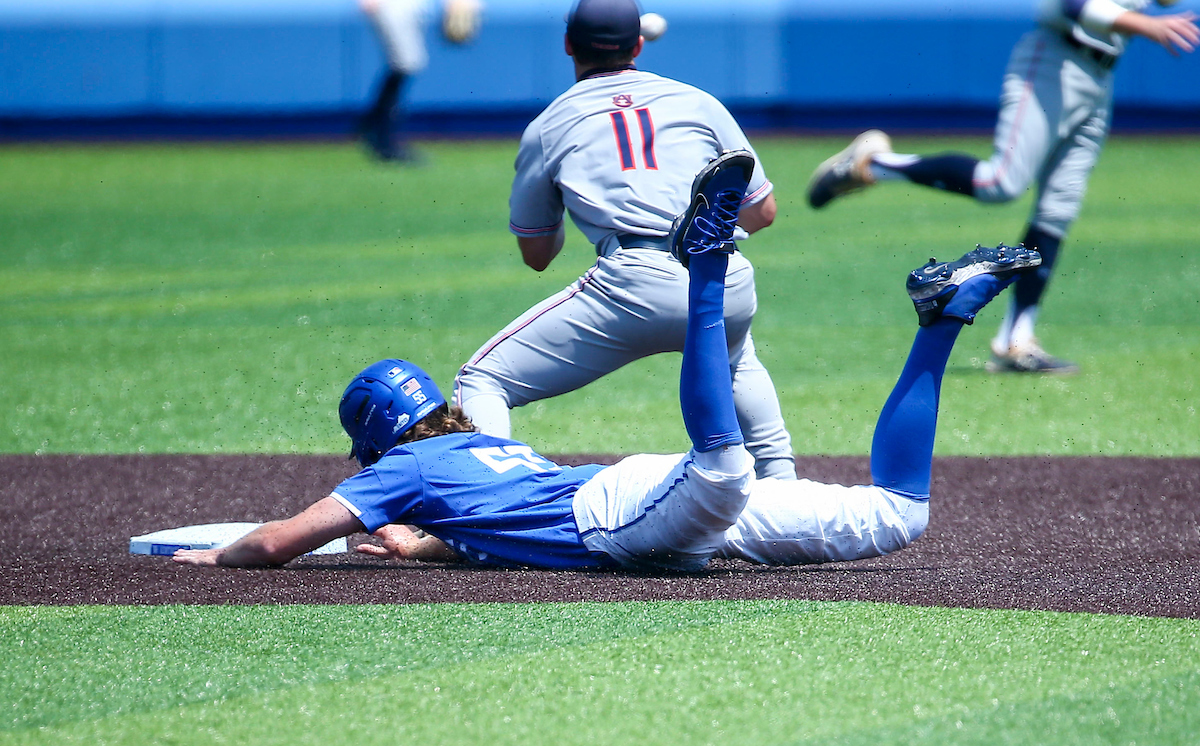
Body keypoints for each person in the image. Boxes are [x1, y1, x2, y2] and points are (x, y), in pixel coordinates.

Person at [173, 152, 1042, 572]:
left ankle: (704, 268)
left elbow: (284, 541)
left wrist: (219, 557)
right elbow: (490, 521)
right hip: (642, 509)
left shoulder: (404, 468)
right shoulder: (465, 452)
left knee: (723, 468)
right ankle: (939, 324)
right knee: (897, 514)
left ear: (377, 443)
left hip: (621, 514)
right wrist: (433, 547)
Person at [452, 0, 796, 482]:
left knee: (482, 381)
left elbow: (537, 254)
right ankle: (783, 489)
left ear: (568, 44)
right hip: (726, 278)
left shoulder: (548, 126)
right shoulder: (698, 101)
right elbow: (762, 211)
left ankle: (495, 506)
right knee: (735, 357)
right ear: (638, 45)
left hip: (632, 283)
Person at [806, 0, 1198, 374]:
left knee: (1058, 211)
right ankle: (876, 162)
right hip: (1055, 60)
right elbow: (1071, 6)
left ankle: (1016, 339)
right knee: (1000, 182)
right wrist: (1146, 25)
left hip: (1100, 75)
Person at [357, 0, 482, 162]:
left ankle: (372, 128)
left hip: (415, 6)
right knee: (405, 63)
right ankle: (381, 137)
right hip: (391, 5)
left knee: (408, 64)